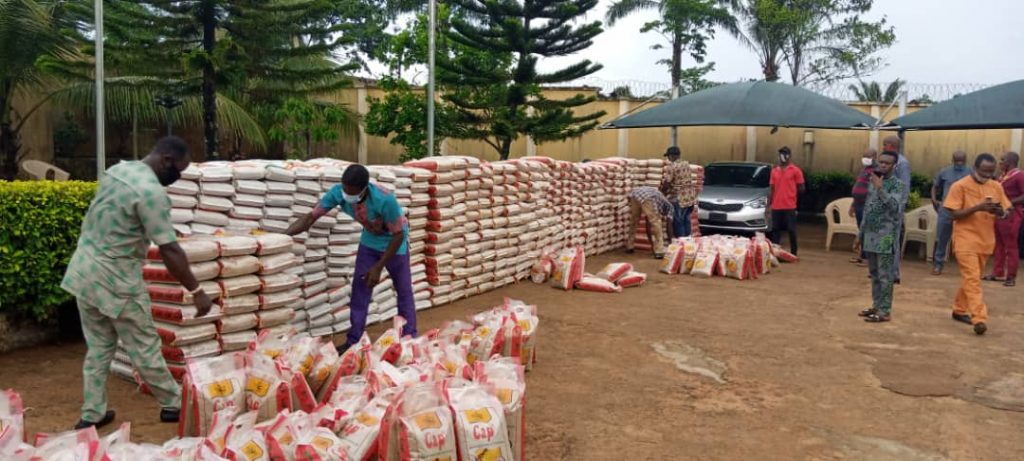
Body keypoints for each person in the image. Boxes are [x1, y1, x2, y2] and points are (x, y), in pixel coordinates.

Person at [61, 137, 213, 430]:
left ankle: (92, 413)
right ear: (166, 160)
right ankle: (173, 403)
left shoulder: (119, 171)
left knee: (98, 347)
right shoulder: (150, 192)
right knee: (144, 345)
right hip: (116, 279)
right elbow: (169, 250)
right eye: (178, 171)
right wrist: (196, 291)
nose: (178, 177)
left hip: (84, 271)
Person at [286, 164, 415, 352]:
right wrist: (281, 237)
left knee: (403, 290)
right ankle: (354, 341)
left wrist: (379, 267)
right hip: (370, 242)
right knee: (360, 290)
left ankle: (409, 338)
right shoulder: (338, 193)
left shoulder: (385, 199)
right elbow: (310, 218)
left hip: (395, 245)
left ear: (364, 189)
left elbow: (398, 234)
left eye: (352, 192)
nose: (347, 195)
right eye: (345, 189)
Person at [943, 153, 1012, 335]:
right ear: (975, 168)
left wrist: (999, 212)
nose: (987, 175)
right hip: (965, 239)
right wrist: (978, 208)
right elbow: (953, 214)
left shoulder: (996, 186)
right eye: (984, 171)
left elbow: (1007, 211)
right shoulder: (960, 186)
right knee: (973, 279)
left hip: (986, 241)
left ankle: (959, 309)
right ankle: (979, 318)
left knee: (971, 278)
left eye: (991, 171)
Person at [857, 151, 905, 323]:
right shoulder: (873, 181)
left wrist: (880, 188)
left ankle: (885, 311)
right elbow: (868, 208)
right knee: (875, 274)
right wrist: (860, 233)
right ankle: (876, 305)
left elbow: (895, 207)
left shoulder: (897, 185)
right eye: (881, 162)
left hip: (886, 236)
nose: (883, 165)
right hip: (870, 233)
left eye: (887, 163)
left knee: (886, 275)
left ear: (894, 166)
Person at [986, 151, 1024, 287]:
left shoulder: (1019, 176)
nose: (1000, 163)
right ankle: (998, 272)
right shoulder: (1003, 176)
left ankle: (1011, 277)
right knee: (999, 244)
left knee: (1011, 246)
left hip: (1012, 214)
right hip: (1000, 213)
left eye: (1002, 160)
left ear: (1010, 162)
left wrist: (1009, 202)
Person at [930, 151, 971, 275]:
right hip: (946, 209)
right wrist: (933, 198)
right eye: (957, 160)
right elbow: (935, 186)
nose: (959, 163)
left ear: (965, 160)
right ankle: (938, 264)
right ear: (952, 159)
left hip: (965, 210)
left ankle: (967, 266)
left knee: (966, 238)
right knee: (942, 237)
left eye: (961, 161)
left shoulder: (971, 172)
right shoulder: (944, 171)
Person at [769, 146, 805, 255]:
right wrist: (769, 204)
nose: (782, 156)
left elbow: (801, 187)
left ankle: (794, 253)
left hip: (789, 206)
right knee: (775, 230)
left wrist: (792, 196)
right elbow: (772, 188)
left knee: (791, 230)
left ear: (789, 155)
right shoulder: (774, 171)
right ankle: (775, 252)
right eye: (780, 154)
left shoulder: (795, 170)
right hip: (776, 205)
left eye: (785, 154)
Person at [883, 136, 910, 283]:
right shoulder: (883, 162)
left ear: (891, 146)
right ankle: (883, 271)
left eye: (885, 145)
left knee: (893, 241)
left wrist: (899, 207)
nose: (883, 147)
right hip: (883, 206)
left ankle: (894, 273)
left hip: (895, 207)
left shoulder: (902, 163)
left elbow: (904, 187)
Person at [625, 186, 675, 259]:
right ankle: (659, 251)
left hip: (635, 195)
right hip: (646, 197)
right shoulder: (670, 208)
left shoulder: (660, 200)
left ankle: (630, 246)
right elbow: (668, 225)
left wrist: (651, 243)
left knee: (634, 221)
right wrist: (671, 243)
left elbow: (648, 223)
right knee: (656, 223)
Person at [661, 146, 698, 238]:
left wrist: (662, 193)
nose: (668, 158)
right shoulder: (686, 164)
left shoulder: (672, 166)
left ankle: (681, 242)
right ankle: (688, 241)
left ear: (672, 156)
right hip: (690, 196)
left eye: (668, 156)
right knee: (686, 218)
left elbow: (667, 183)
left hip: (679, 197)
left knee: (678, 221)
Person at [849, 148, 878, 265]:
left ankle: (867, 258)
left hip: (867, 204)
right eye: (864, 156)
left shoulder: (876, 170)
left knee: (867, 229)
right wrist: (853, 204)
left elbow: (875, 189)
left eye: (868, 156)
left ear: (875, 157)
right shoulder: (864, 169)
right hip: (858, 203)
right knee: (861, 229)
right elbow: (858, 186)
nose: (865, 159)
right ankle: (861, 255)